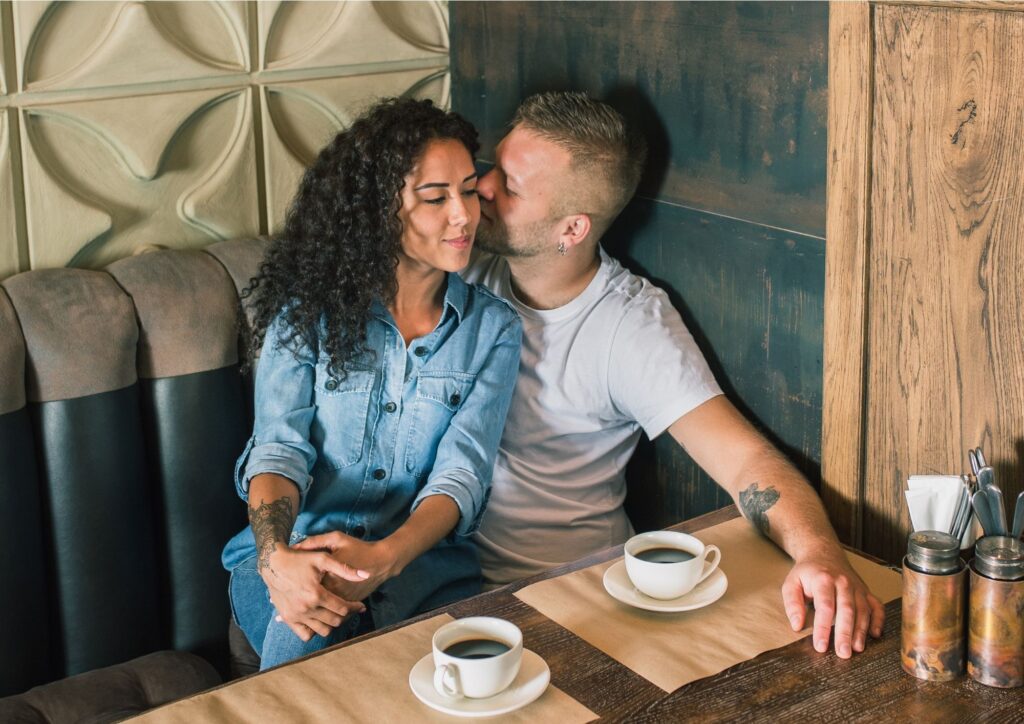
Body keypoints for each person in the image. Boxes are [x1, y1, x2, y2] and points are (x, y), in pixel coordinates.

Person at [461, 91, 884, 660]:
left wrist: (819, 555)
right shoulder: (465, 262)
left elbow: (747, 463)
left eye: (509, 186)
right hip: (446, 581)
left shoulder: (629, 326)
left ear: (572, 228)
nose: (481, 187)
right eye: (492, 166)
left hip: (567, 597)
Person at [222, 98, 522, 670]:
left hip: (423, 571)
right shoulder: (306, 314)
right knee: (309, 618)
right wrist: (276, 559)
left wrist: (384, 558)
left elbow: (462, 473)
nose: (463, 215)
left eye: (468, 190)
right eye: (435, 198)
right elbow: (279, 450)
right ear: (379, 210)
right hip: (297, 553)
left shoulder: (494, 330)